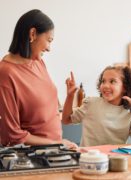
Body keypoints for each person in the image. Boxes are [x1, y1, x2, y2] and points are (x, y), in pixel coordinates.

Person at [0, 9, 77, 149]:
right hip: (30, 157)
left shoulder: (38, 62)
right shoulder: (6, 73)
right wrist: (58, 144)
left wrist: (70, 96)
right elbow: (13, 134)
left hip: (55, 151)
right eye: (49, 40)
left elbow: (46, 109)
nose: (49, 48)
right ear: (33, 34)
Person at [62, 65, 131, 147]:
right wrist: (70, 96)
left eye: (112, 81)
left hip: (115, 159)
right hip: (89, 159)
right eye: (103, 81)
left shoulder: (130, 112)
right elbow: (66, 120)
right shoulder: (91, 103)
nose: (106, 85)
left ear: (125, 87)